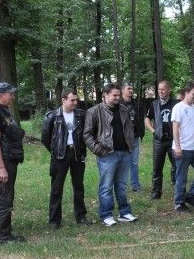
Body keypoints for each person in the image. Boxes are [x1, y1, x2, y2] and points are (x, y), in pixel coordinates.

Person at [84, 82, 138, 226]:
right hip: (107, 154)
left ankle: (124, 213)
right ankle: (106, 215)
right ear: (105, 95)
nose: (117, 98)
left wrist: (130, 147)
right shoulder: (94, 111)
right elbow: (87, 134)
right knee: (106, 186)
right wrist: (99, 150)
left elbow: (129, 130)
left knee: (121, 185)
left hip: (124, 153)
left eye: (118, 95)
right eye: (114, 95)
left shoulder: (124, 110)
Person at [0, 82, 27, 243]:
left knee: (7, 196)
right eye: (10, 94)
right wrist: (1, 167)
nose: (13, 97)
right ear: (0, 95)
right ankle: (3, 236)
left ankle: (3, 230)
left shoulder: (4, 111)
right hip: (4, 161)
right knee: (5, 197)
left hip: (10, 158)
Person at [41, 88, 91, 229]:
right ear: (63, 100)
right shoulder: (52, 116)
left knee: (79, 187)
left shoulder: (81, 116)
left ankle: (81, 216)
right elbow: (45, 138)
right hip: (59, 156)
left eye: (76, 99)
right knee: (56, 189)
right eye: (72, 100)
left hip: (77, 155)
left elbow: (87, 134)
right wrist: (56, 150)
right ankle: (54, 221)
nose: (75, 102)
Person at [172, 82, 194, 212]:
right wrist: (177, 147)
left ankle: (191, 196)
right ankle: (179, 203)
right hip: (182, 149)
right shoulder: (178, 108)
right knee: (182, 177)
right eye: (193, 94)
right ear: (186, 93)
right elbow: (175, 128)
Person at [146, 80, 178, 200]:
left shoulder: (176, 103)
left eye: (163, 89)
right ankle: (156, 192)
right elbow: (147, 119)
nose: (160, 91)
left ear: (169, 90)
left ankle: (178, 189)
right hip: (159, 140)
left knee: (176, 165)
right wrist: (153, 131)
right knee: (157, 167)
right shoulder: (154, 104)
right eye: (159, 89)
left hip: (173, 140)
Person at [120, 83, 145, 195]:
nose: (131, 90)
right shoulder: (118, 104)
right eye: (128, 88)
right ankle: (121, 186)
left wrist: (141, 132)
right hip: (122, 138)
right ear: (122, 91)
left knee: (134, 163)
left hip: (134, 137)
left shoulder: (136, 104)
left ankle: (135, 185)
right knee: (121, 163)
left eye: (132, 88)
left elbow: (140, 119)